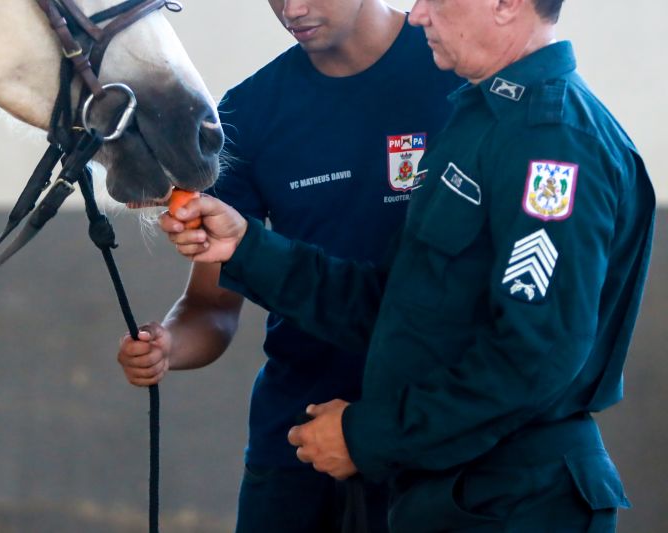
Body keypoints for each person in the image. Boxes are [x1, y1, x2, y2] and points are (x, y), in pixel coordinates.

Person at [158, 0, 657, 531]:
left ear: (507, 5)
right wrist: (246, 248)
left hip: (513, 496)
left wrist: (367, 436)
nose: (417, 14)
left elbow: (534, 357)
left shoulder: (553, 142)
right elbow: (398, 307)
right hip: (442, 484)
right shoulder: (480, 118)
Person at [117, 0, 461, 531]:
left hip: (432, 443)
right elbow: (211, 307)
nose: (291, 9)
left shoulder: (457, 77)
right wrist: (167, 344)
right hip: (298, 443)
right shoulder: (249, 114)